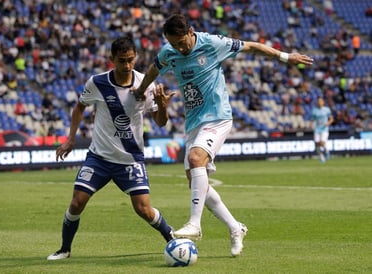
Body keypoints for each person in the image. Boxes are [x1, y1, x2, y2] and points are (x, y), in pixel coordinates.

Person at [132, 14, 314, 257]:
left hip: (218, 116)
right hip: (194, 122)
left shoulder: (212, 43)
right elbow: (154, 68)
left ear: (191, 31)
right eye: (174, 44)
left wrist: (284, 56)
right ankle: (235, 227)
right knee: (196, 182)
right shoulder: (169, 52)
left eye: (182, 43)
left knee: (197, 160)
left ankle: (195, 225)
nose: (180, 48)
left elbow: (251, 46)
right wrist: (141, 90)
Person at [47, 36, 175, 260]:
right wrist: (70, 138)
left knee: (143, 209)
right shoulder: (98, 82)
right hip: (99, 157)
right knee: (77, 202)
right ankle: (65, 249)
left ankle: (172, 239)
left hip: (130, 159)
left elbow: (161, 122)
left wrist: (163, 108)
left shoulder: (146, 83)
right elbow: (79, 107)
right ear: (112, 60)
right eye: (122, 61)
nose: (127, 66)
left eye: (131, 60)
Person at [310, 97, 334, 163]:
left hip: (324, 129)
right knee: (317, 144)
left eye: (321, 101)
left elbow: (331, 119)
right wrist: (311, 125)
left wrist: (328, 123)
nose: (319, 102)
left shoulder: (327, 110)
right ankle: (322, 157)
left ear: (323, 102)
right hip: (317, 129)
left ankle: (327, 151)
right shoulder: (314, 110)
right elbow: (312, 119)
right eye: (318, 101)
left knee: (322, 143)